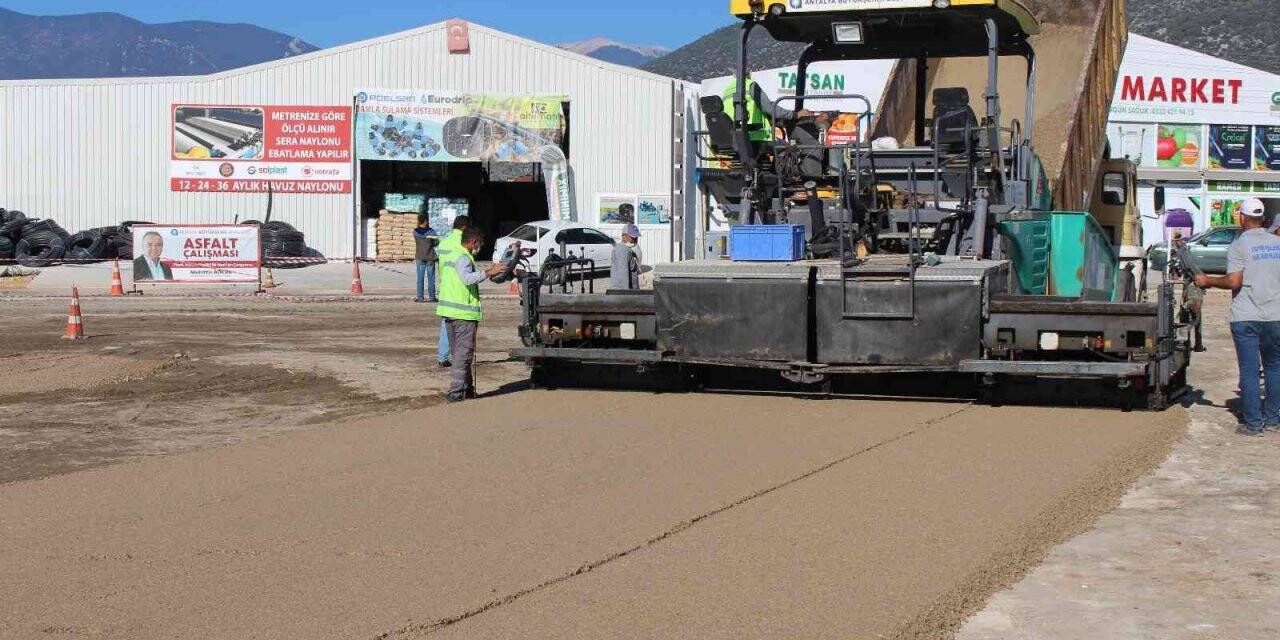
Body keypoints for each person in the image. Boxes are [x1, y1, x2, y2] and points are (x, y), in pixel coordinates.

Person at [1194, 198, 1280, 436]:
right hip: (1276, 316)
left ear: (1241, 218)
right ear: (1263, 219)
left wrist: (1206, 280)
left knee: (1250, 370)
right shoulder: (1278, 243)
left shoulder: (1239, 246)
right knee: (1275, 368)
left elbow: (1233, 281)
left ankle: (1253, 424)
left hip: (1247, 317)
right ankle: (1273, 419)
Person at [438, 226, 509, 402]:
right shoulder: (463, 257)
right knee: (463, 354)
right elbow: (467, 279)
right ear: (473, 242)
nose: (480, 247)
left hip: (449, 311)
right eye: (480, 243)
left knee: (459, 353)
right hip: (463, 313)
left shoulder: (451, 253)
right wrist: (488, 272)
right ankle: (456, 392)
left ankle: (466, 389)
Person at [433, 215, 473, 368]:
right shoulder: (464, 244)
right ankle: (459, 358)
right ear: (464, 228)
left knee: (446, 323)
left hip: (446, 288)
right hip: (460, 291)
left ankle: (443, 356)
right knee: (463, 328)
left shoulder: (443, 243)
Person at [413, 214, 440, 303]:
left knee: (420, 278)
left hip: (420, 256)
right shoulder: (431, 232)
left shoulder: (415, 232)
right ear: (426, 221)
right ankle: (432, 297)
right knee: (431, 278)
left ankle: (420, 297)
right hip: (430, 257)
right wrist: (429, 244)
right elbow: (436, 242)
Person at [610, 224, 642, 291]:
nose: (635, 239)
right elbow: (622, 276)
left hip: (632, 292)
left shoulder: (628, 249)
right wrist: (625, 297)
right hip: (624, 293)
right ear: (624, 236)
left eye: (636, 237)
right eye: (632, 237)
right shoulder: (622, 250)